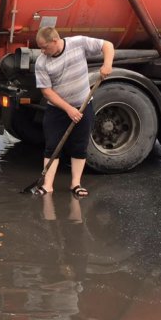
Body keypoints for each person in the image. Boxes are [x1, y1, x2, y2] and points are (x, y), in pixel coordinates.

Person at [34, 26, 114, 197]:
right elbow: (46, 92)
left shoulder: (78, 43)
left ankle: (75, 184)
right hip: (57, 109)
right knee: (52, 146)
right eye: (40, 47)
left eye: (44, 46)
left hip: (83, 105)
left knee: (79, 145)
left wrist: (107, 64)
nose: (42, 50)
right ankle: (48, 185)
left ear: (55, 41)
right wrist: (69, 109)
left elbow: (107, 45)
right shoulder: (42, 62)